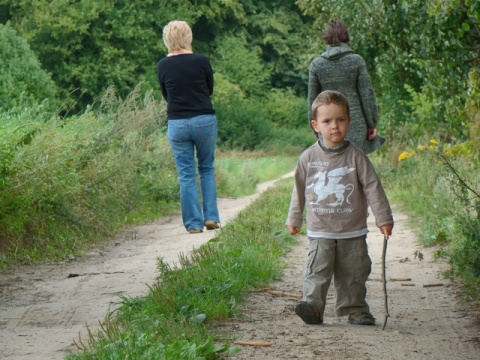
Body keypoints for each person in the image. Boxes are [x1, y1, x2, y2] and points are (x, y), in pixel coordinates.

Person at [286, 90, 394, 326]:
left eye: (340, 120)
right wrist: (295, 218)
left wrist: (383, 218)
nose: (335, 126)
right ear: (316, 125)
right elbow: (299, 189)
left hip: (352, 230)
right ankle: (312, 307)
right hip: (320, 230)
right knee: (317, 271)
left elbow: (373, 188)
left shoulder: (357, 157)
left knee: (354, 273)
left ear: (349, 122)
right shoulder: (308, 158)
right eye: (327, 121)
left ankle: (356, 309)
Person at [156, 20, 220, 234]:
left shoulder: (162, 65)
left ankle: (193, 224)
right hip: (204, 120)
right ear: (188, 38)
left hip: (178, 123)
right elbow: (209, 89)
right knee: (206, 168)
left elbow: (167, 94)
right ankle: (211, 217)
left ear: (168, 40)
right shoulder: (201, 61)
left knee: (186, 173)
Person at [307, 19, 385, 154]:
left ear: (327, 37)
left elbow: (312, 100)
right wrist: (371, 123)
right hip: (355, 124)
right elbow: (367, 95)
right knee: (356, 169)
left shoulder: (316, 65)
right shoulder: (356, 61)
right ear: (345, 36)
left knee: (332, 168)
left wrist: (315, 126)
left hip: (327, 126)